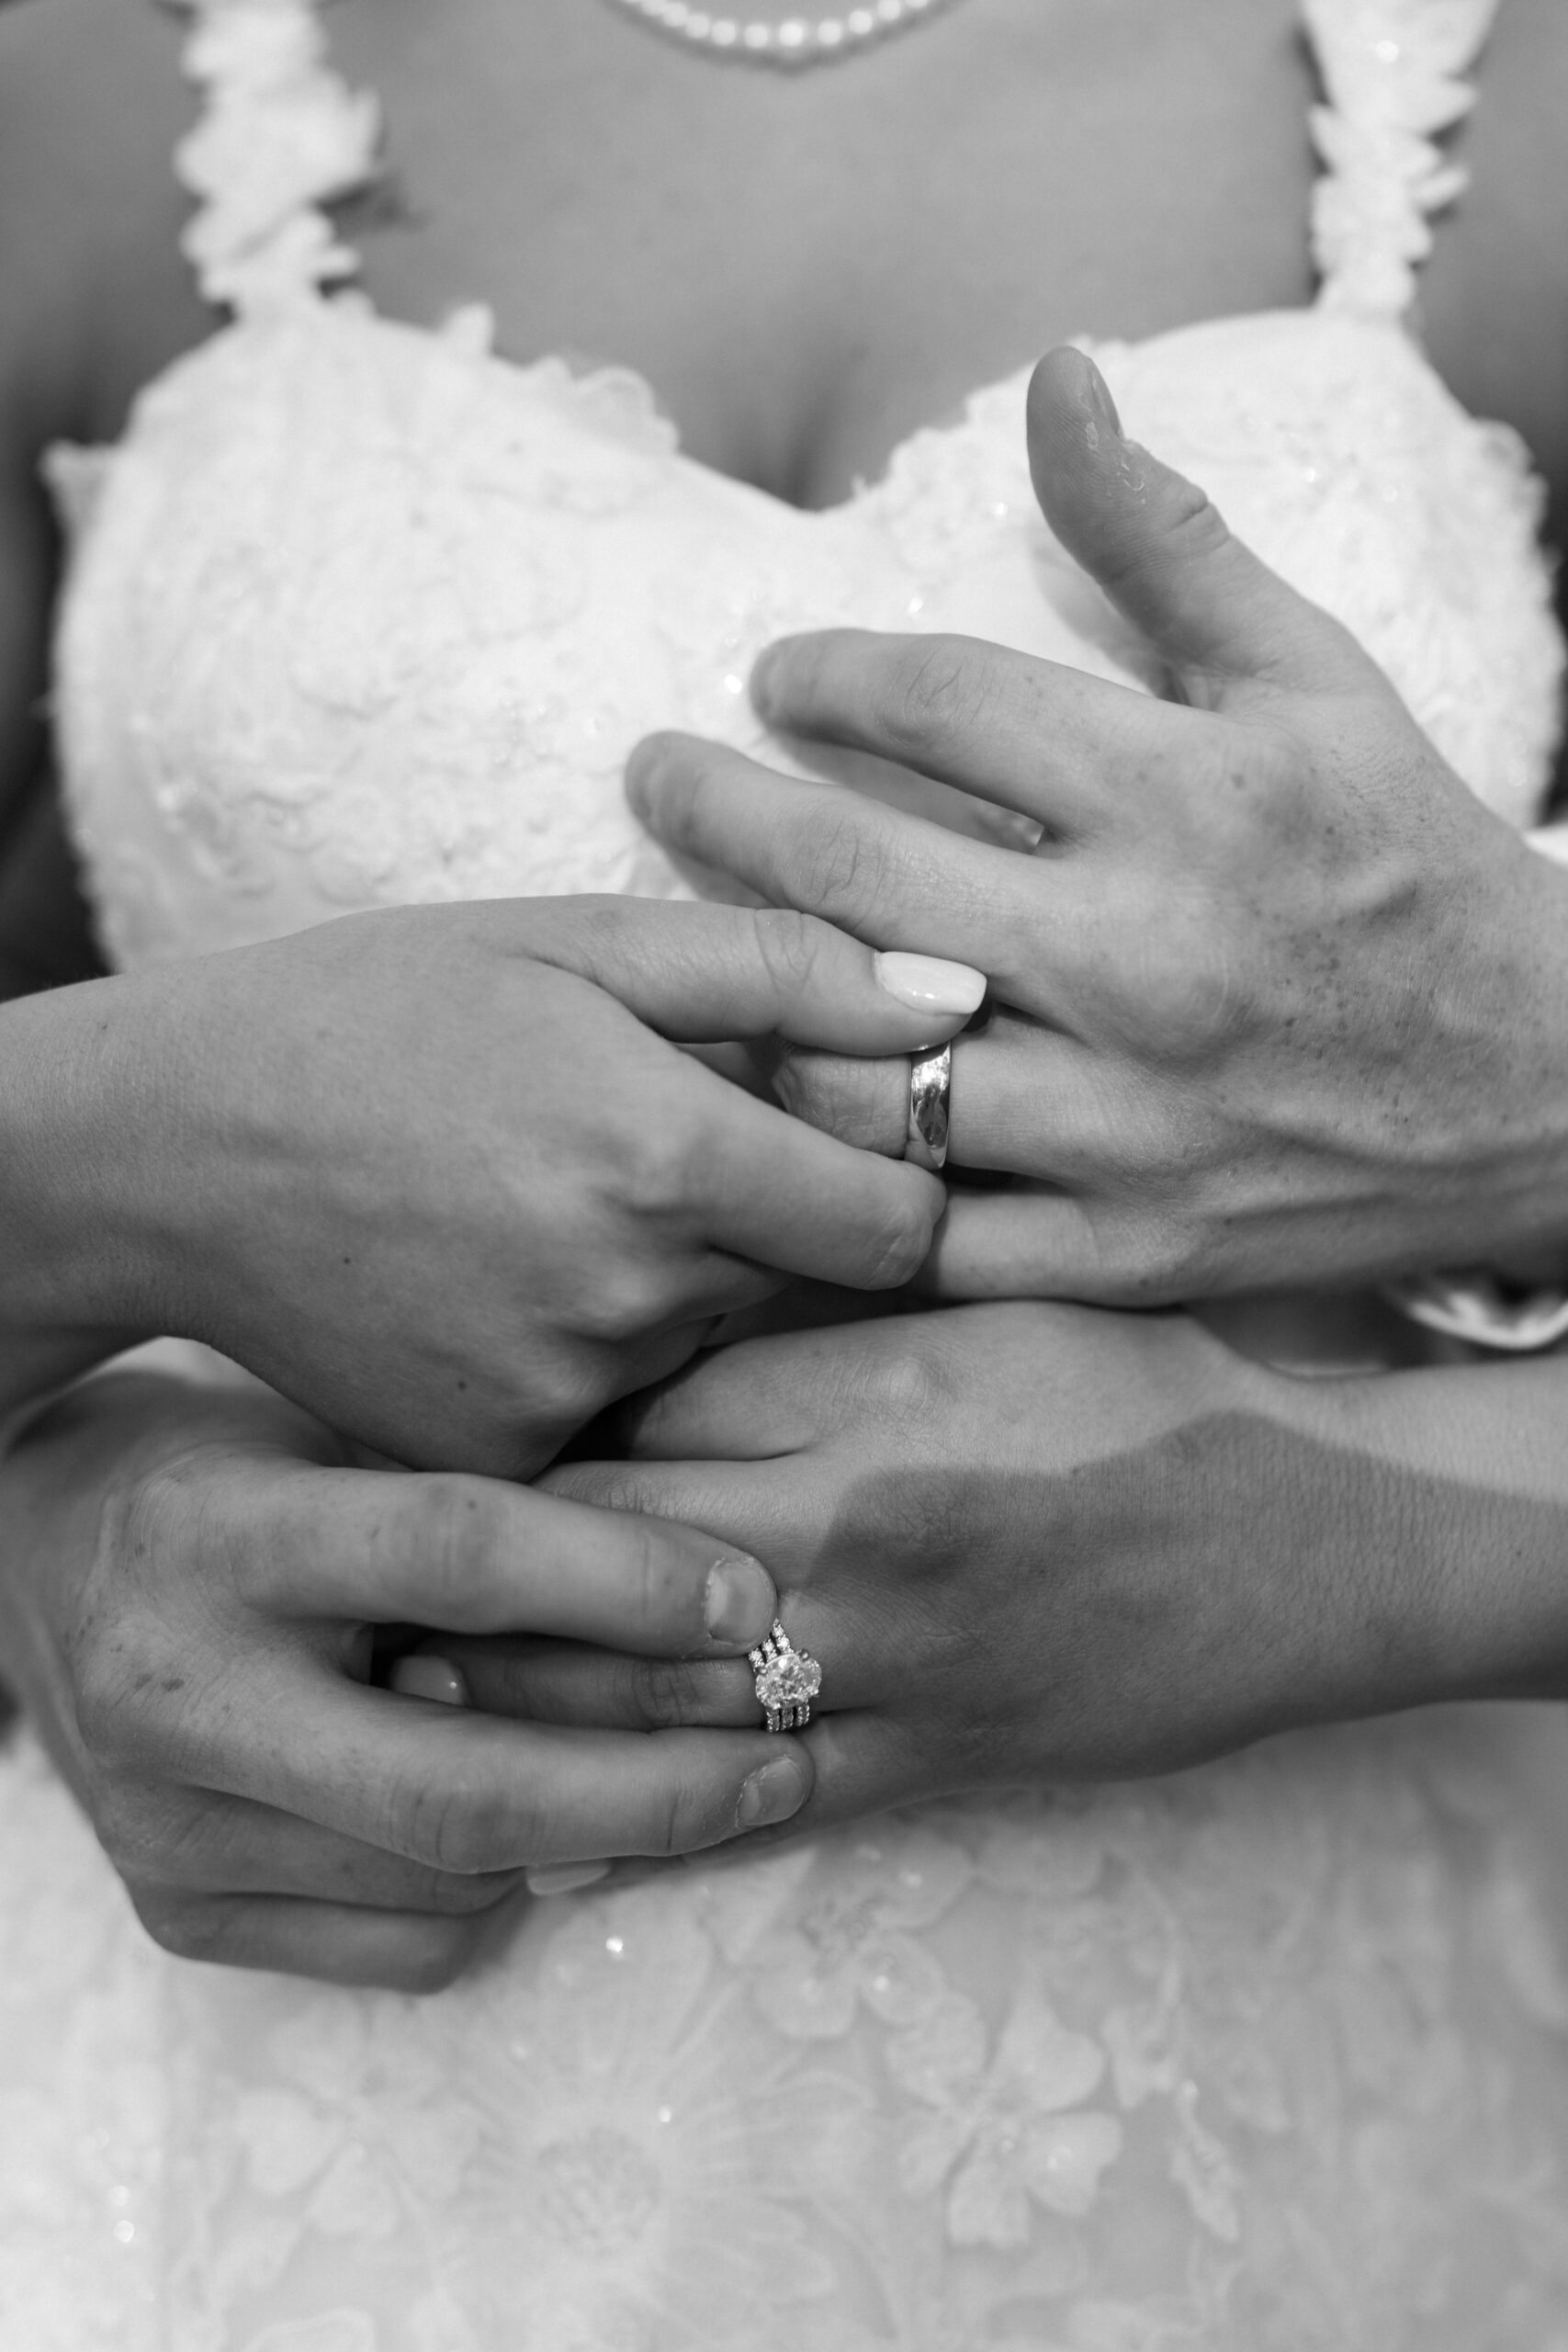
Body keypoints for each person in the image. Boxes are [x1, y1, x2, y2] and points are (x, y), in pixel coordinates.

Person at [2, 0, 1568, 2341]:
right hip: (261, 2126)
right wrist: (60, 1388)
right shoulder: (82, 81)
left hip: (1296, 2125)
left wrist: (1360, 1528)